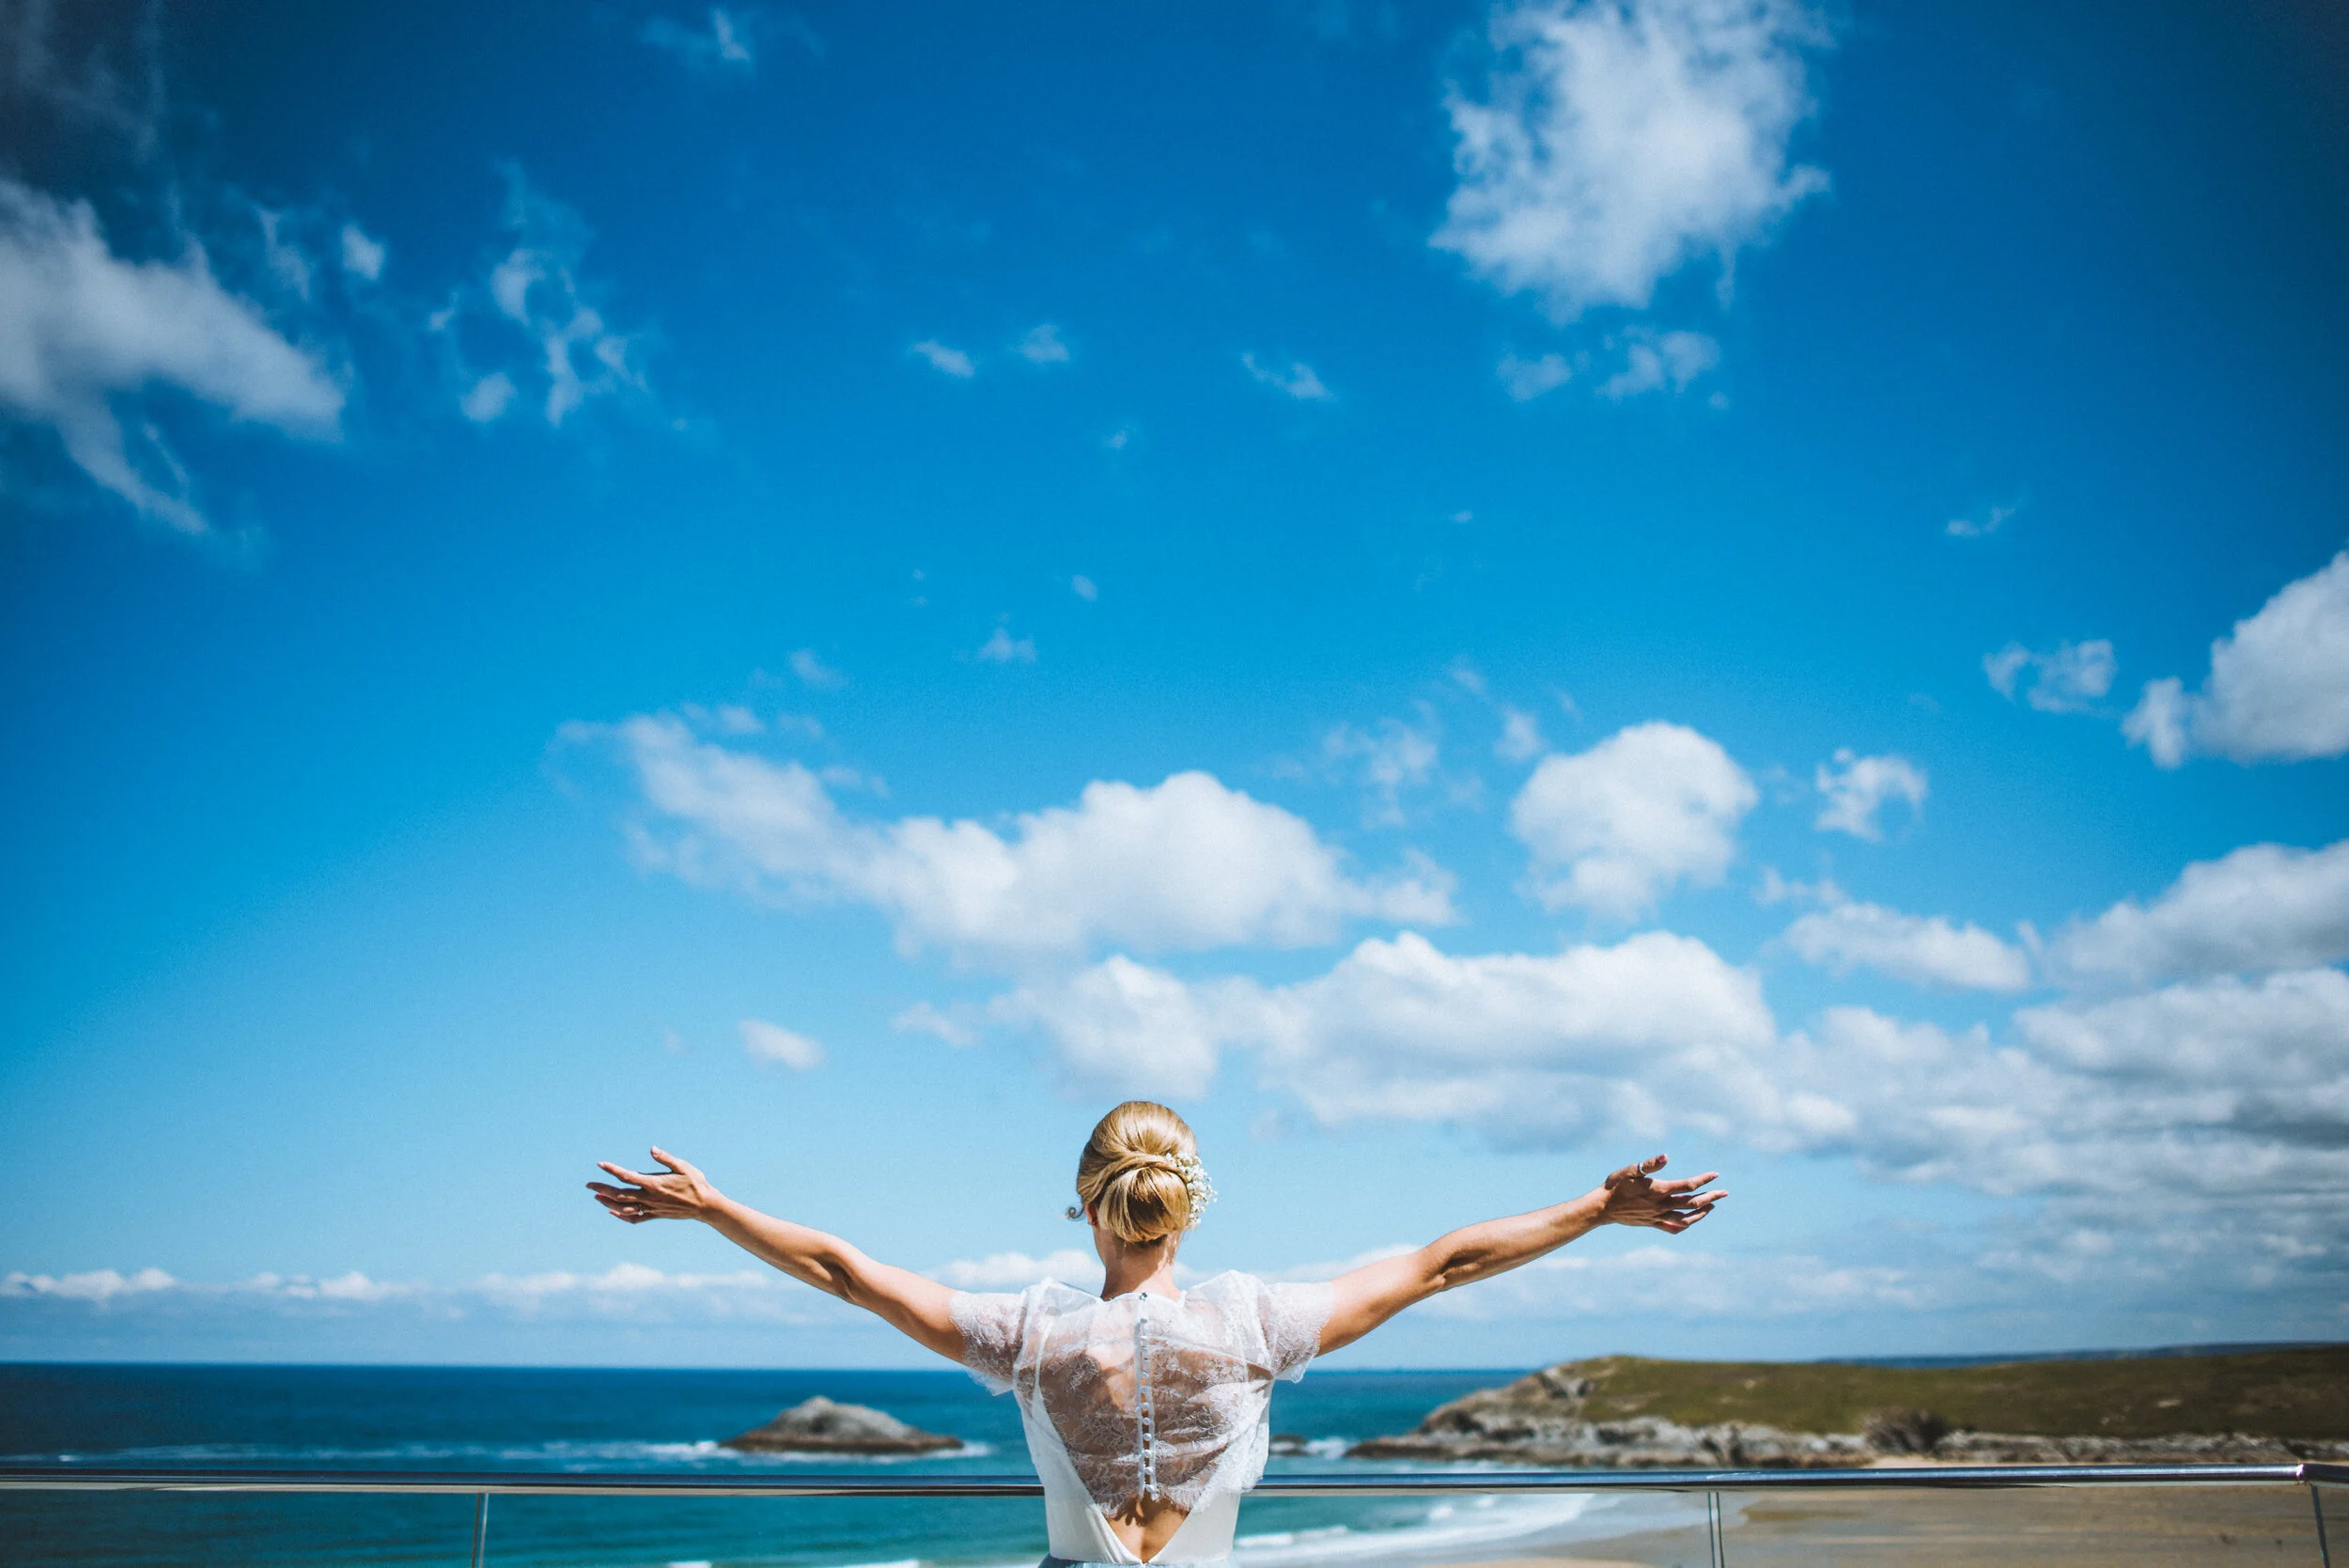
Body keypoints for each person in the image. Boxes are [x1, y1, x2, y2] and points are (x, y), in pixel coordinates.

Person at [588, 1100, 1724, 1567]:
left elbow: (846, 1273)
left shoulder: (1028, 1334)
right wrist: (1596, 1207)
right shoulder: (1257, 1323)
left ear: (1086, 1204)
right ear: (1188, 1205)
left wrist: (714, 1208)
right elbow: (1445, 1262)